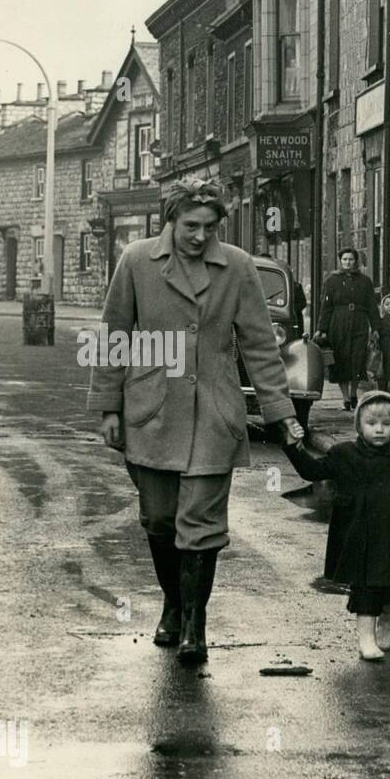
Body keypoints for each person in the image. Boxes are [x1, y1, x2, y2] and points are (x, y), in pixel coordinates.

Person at [87, 176, 304, 664]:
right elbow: (113, 334)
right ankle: (172, 601)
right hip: (150, 410)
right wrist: (108, 408)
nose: (200, 235)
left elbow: (260, 346)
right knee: (159, 520)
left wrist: (281, 414)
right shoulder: (137, 260)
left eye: (209, 226)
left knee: (201, 525)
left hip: (213, 411)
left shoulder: (238, 267)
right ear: (171, 219)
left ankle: (194, 623)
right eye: (190, 225)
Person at [285, 392, 390, 661]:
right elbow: (311, 471)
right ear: (359, 425)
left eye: (387, 423)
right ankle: (366, 639)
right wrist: (294, 446)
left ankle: (387, 620)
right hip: (357, 533)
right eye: (371, 422)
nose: (379, 429)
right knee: (363, 586)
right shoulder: (343, 454)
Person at [317, 246, 380, 411]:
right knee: (341, 360)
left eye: (351, 259)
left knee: (357, 359)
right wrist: (321, 328)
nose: (348, 262)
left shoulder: (365, 281)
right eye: (345, 259)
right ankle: (345, 397)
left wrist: (375, 327)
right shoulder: (331, 281)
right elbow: (326, 307)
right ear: (340, 261)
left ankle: (354, 393)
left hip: (359, 322)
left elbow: (372, 306)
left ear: (355, 261)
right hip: (338, 323)